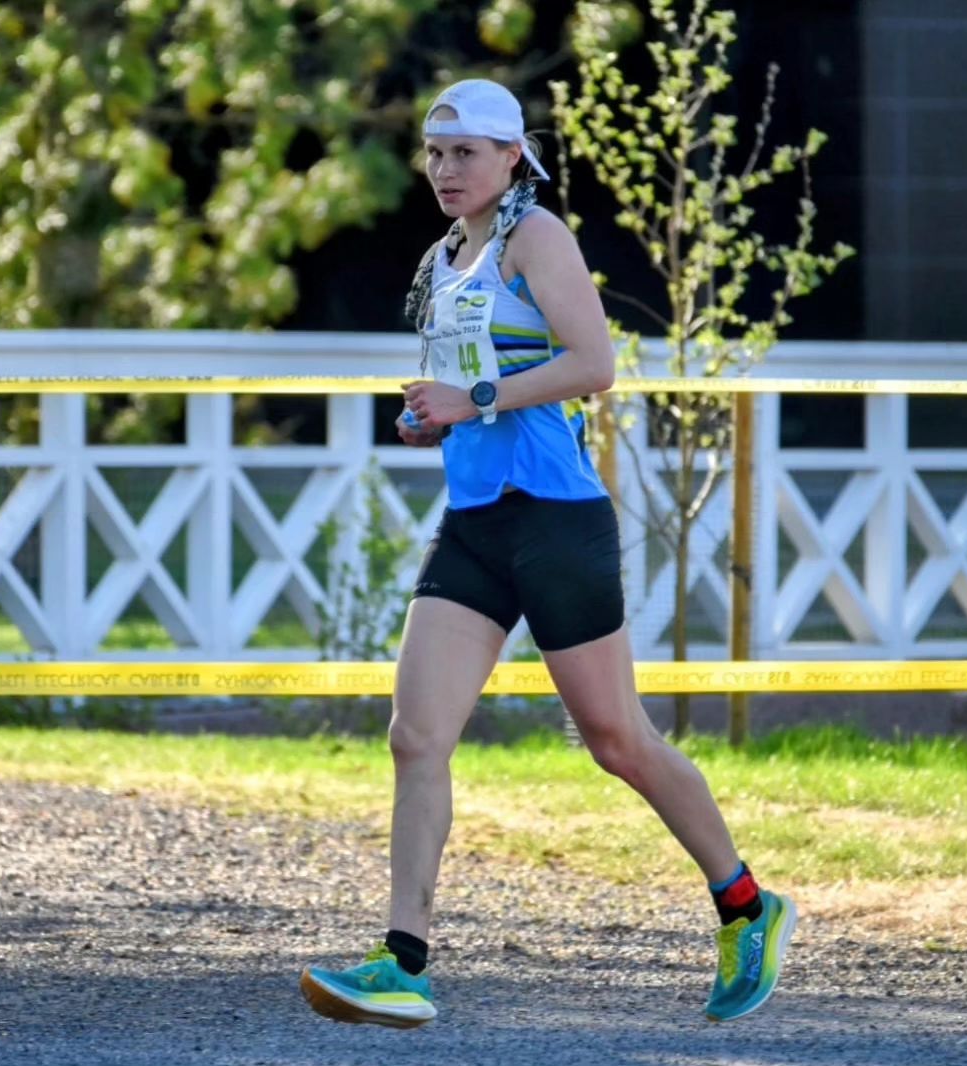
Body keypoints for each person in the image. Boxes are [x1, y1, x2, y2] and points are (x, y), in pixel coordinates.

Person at [299, 78, 796, 1029]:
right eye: (435, 153)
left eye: (466, 153)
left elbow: (593, 366)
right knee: (415, 736)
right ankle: (404, 963)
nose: (446, 170)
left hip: (557, 521)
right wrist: (435, 417)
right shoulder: (443, 257)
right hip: (475, 522)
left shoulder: (537, 237)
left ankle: (746, 906)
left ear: (512, 156)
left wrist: (475, 400)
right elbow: (470, 384)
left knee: (618, 742)